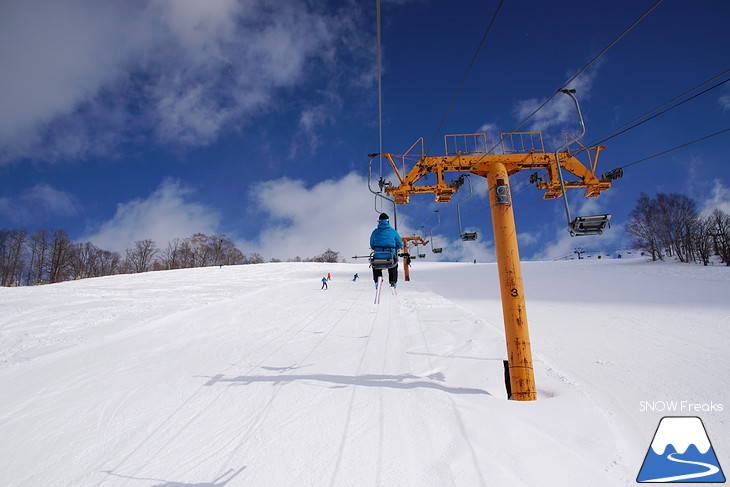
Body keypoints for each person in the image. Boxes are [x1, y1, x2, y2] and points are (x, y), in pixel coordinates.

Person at [369, 213, 403, 288]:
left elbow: (371, 244)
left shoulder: (375, 232)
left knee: (376, 267)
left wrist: (376, 248)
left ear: (379, 221)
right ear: (388, 221)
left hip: (377, 256)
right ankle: (393, 281)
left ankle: (377, 280)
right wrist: (395, 248)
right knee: (393, 266)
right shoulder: (393, 231)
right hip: (390, 256)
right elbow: (400, 243)